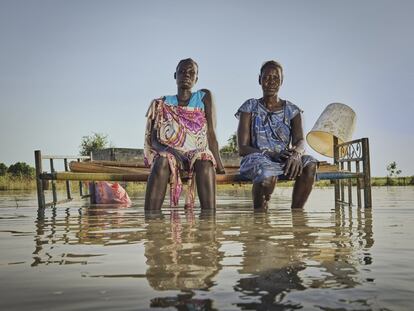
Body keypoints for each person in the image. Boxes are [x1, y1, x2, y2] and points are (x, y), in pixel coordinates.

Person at [144, 58, 225, 210]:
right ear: (175, 76)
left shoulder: (204, 97)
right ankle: (152, 225)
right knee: (162, 160)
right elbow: (153, 140)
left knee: (205, 160)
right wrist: (173, 152)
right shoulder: (161, 103)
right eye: (182, 72)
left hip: (198, 153)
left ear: (196, 78)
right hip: (170, 154)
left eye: (191, 72)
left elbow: (211, 133)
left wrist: (220, 166)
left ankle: (208, 224)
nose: (186, 75)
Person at [236, 60, 317, 209]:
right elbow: (242, 148)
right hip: (257, 158)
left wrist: (296, 154)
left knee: (310, 163)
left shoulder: (293, 110)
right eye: (266, 77)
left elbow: (300, 140)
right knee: (267, 174)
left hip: (283, 160)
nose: (271, 82)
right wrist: (271, 153)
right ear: (259, 80)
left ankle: (297, 217)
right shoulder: (250, 106)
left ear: (282, 81)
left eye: (275, 78)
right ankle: (260, 221)